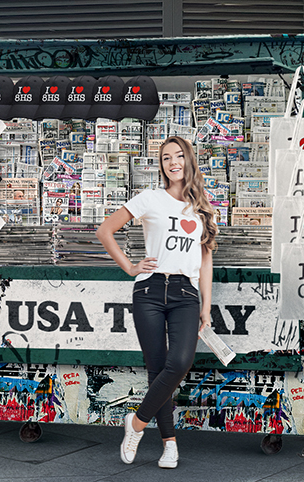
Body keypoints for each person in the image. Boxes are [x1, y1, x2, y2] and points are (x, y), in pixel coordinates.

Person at [96, 136, 217, 469]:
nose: (173, 162)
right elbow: (105, 230)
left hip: (185, 293)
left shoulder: (202, 208)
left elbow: (205, 260)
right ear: (162, 165)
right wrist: (129, 267)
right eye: (166, 158)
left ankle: (135, 424)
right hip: (149, 290)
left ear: (189, 160)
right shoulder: (150, 198)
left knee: (179, 363)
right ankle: (169, 444)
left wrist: (206, 307)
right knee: (157, 369)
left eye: (179, 156)